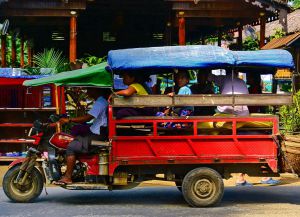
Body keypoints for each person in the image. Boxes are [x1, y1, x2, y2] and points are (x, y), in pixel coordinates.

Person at [54, 88, 110, 185]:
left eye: (89, 89)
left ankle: (68, 177)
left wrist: (69, 120)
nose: (88, 92)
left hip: (97, 135)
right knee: (75, 134)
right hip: (95, 131)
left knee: (71, 147)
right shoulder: (100, 101)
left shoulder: (101, 102)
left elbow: (87, 117)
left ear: (96, 90)